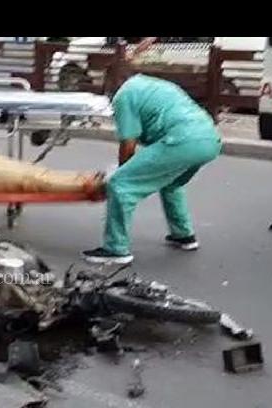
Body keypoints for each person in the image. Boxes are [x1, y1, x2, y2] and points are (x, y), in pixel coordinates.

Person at [82, 67, 222, 265]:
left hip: (182, 140)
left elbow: (128, 143)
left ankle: (116, 249)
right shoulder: (154, 84)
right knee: (171, 183)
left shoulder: (124, 96)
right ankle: (183, 235)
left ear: (110, 89)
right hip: (210, 139)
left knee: (121, 185)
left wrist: (120, 173)